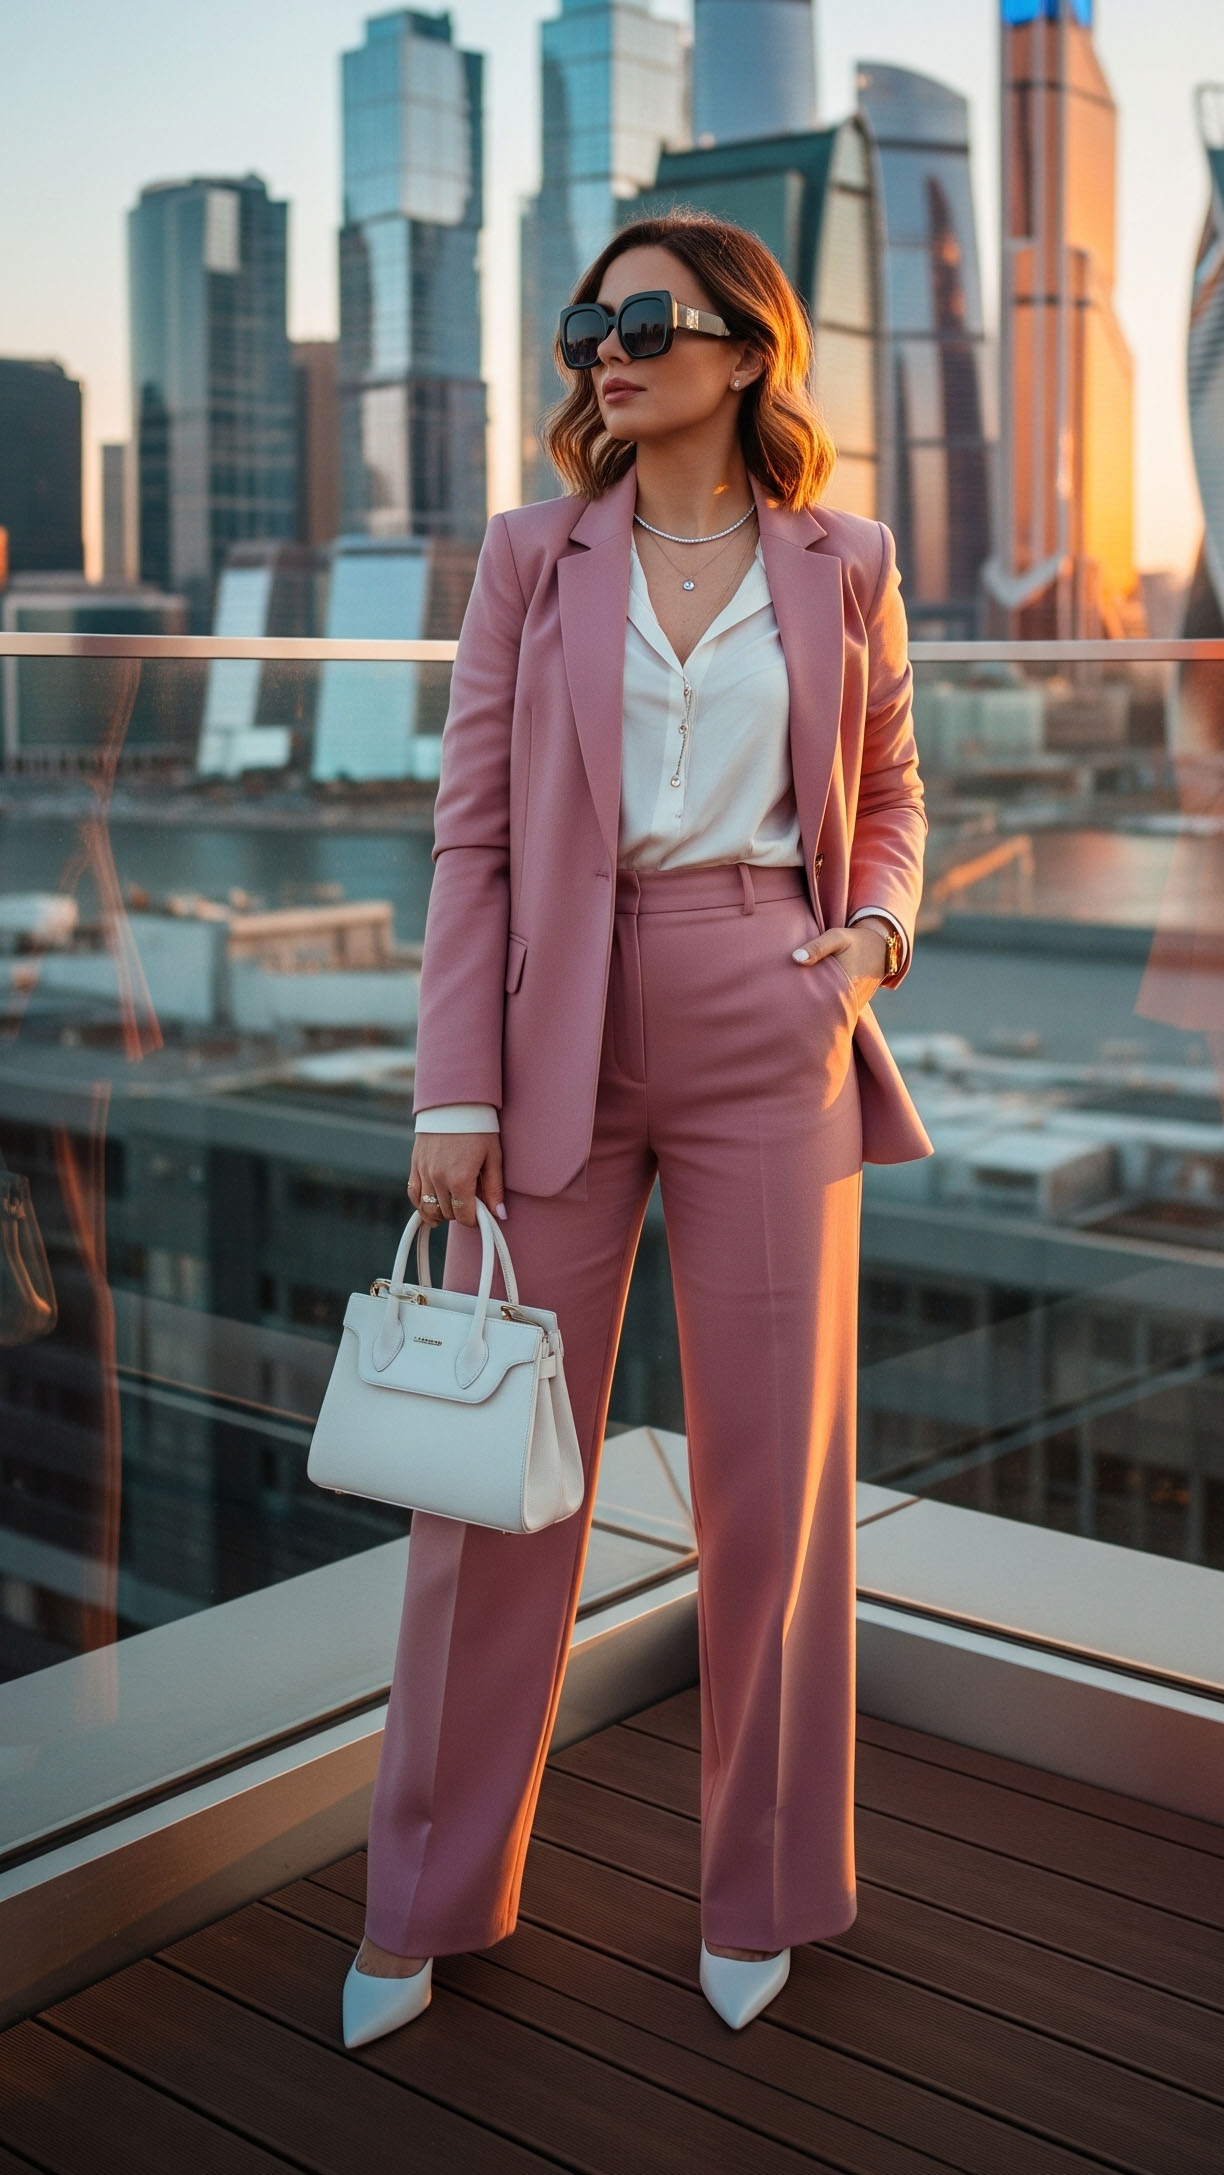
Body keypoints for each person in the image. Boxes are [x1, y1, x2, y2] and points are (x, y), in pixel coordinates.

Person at [341, 209, 932, 2049]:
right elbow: (474, 839)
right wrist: (453, 1091)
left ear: (749, 351)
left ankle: (760, 1889)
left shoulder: (849, 559)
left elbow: (897, 791)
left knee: (779, 1486)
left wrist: (869, 944)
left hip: (772, 1006)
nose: (609, 344)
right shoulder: (533, 557)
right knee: (495, 1493)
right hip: (551, 1042)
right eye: (591, 318)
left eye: (650, 319)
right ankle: (423, 1898)